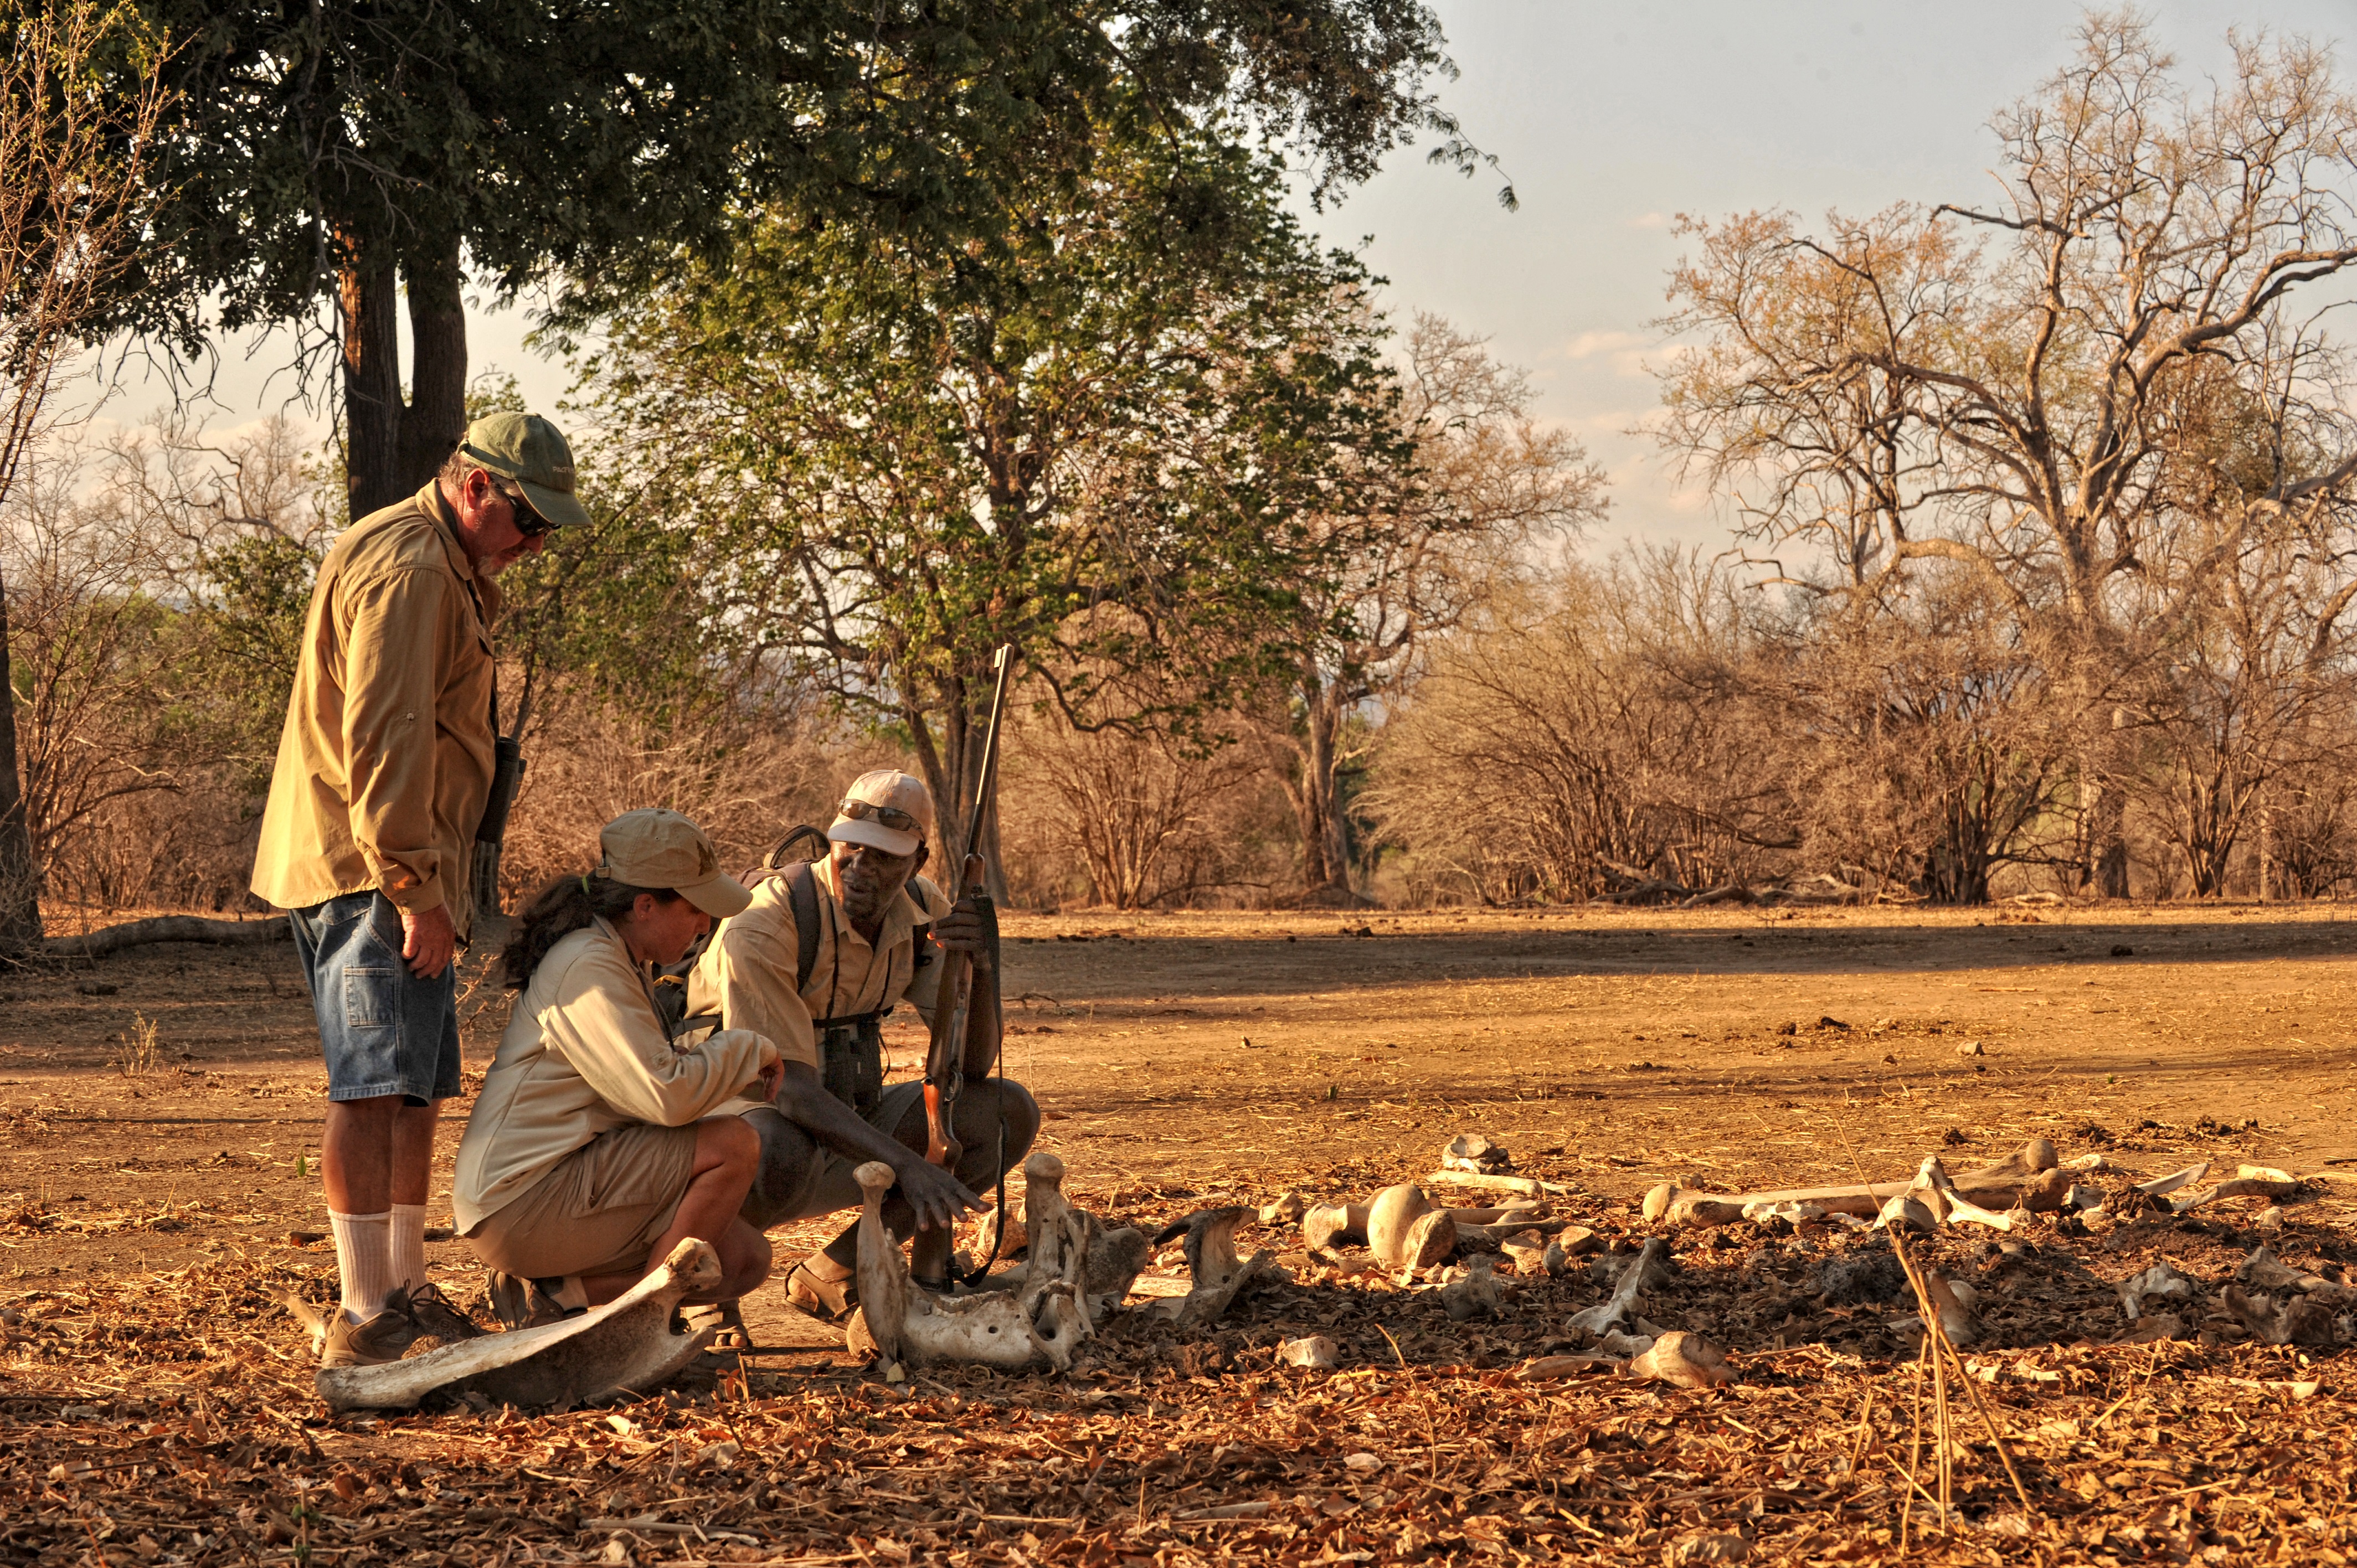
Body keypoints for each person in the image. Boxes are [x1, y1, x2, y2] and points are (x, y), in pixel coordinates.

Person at [251, 411, 586, 1368]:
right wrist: (411, 888)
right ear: (476, 486)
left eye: (548, 530)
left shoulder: (443, 559)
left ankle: (401, 1288)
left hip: (409, 869)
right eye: (529, 520)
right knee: (370, 1088)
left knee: (416, 1087)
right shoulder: (411, 565)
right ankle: (366, 1314)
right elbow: (385, 739)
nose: (535, 545)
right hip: (373, 871)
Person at [681, 769, 1041, 1317]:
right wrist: (909, 1164)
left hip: (848, 1115)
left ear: (917, 862)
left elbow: (968, 1065)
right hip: (742, 1126)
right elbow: (790, 1093)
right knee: (777, 1144)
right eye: (850, 849)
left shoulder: (922, 910)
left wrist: (984, 968)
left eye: (884, 857)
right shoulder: (764, 921)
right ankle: (704, 1286)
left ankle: (833, 1272)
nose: (860, 869)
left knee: (1002, 1111)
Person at [454, 809, 780, 1327]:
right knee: (735, 1144)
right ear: (645, 905)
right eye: (696, 909)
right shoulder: (589, 964)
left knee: (740, 1260)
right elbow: (666, 1096)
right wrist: (750, 1048)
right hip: (522, 1200)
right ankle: (644, 1322)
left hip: (560, 1185)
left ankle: (562, 1296)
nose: (705, 925)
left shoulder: (620, 956)